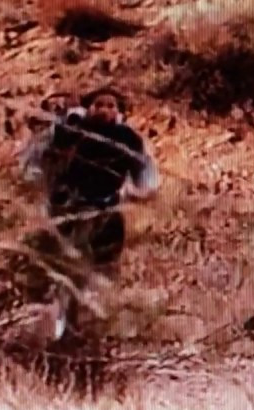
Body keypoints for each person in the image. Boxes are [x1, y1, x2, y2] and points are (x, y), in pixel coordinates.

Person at [32, 85, 160, 339]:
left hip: (107, 213)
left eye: (111, 106)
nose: (104, 110)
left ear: (119, 112)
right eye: (98, 105)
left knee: (101, 271)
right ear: (88, 108)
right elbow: (39, 161)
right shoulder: (72, 130)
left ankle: (92, 329)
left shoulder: (128, 138)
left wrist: (141, 192)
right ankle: (58, 328)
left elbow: (146, 175)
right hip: (69, 212)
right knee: (62, 270)